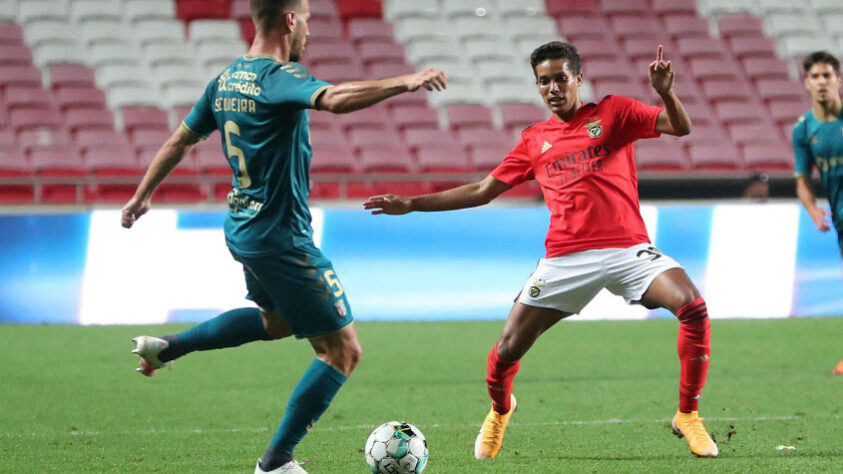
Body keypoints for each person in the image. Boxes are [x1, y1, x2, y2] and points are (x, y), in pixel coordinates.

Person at [121, 0, 447, 472]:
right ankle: (276, 462)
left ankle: (171, 346)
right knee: (342, 352)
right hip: (281, 237)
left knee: (276, 323)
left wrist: (141, 195)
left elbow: (180, 140)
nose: (309, 31)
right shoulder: (278, 78)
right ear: (290, 20)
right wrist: (406, 80)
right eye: (308, 20)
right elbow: (334, 99)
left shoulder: (227, 79)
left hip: (242, 229)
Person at [364, 41, 719, 459]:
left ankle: (688, 414)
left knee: (693, 308)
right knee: (507, 350)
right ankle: (501, 409)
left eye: (560, 78)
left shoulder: (614, 113)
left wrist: (665, 91)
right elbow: (482, 190)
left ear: (578, 80)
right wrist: (411, 204)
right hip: (565, 259)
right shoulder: (535, 140)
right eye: (544, 81)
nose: (553, 88)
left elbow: (680, 127)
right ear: (537, 86)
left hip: (628, 249)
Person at [792, 50, 843, 375]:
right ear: (807, 83)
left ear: (838, 80)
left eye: (827, 75)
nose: (821, 82)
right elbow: (802, 180)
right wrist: (811, 209)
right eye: (815, 77)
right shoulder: (803, 130)